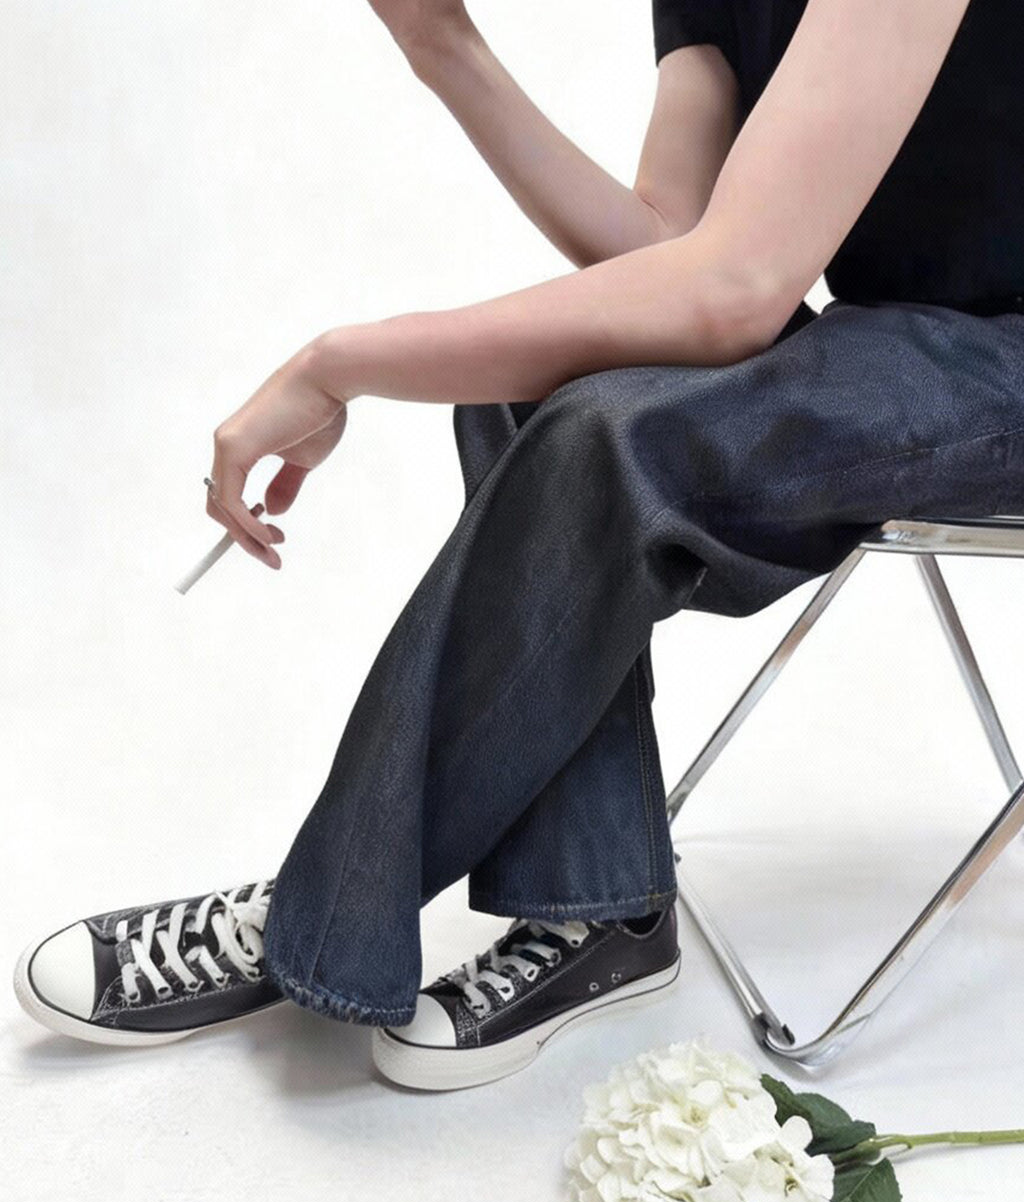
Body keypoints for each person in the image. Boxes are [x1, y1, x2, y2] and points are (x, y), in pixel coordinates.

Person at [13, 0, 1024, 1088]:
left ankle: (314, 911)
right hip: (896, 338)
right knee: (531, 388)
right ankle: (596, 905)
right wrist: (440, 44)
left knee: (602, 436)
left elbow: (734, 296)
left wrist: (334, 363)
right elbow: (672, 249)